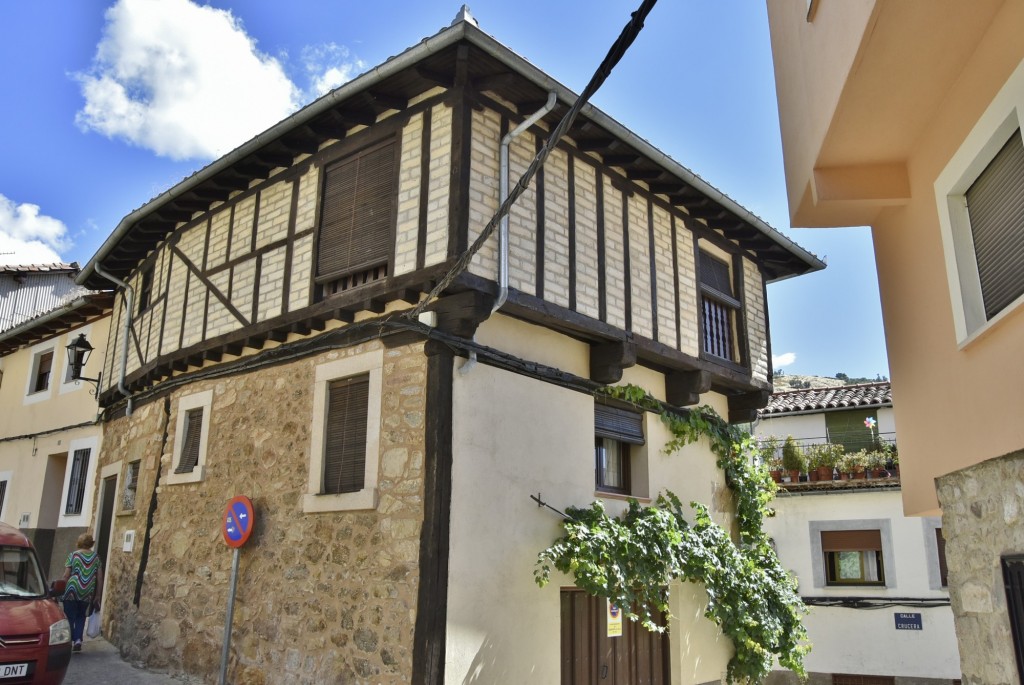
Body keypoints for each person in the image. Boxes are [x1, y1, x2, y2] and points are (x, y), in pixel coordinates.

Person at [61, 532, 103, 652]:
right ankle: (78, 639)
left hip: (72, 589)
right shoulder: (96, 558)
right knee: (81, 615)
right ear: (91, 544)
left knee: (69, 616)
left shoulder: (73, 555)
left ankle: (70, 639)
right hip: (87, 591)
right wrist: (98, 595)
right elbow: (100, 578)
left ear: (79, 543)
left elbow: (66, 575)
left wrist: (60, 588)